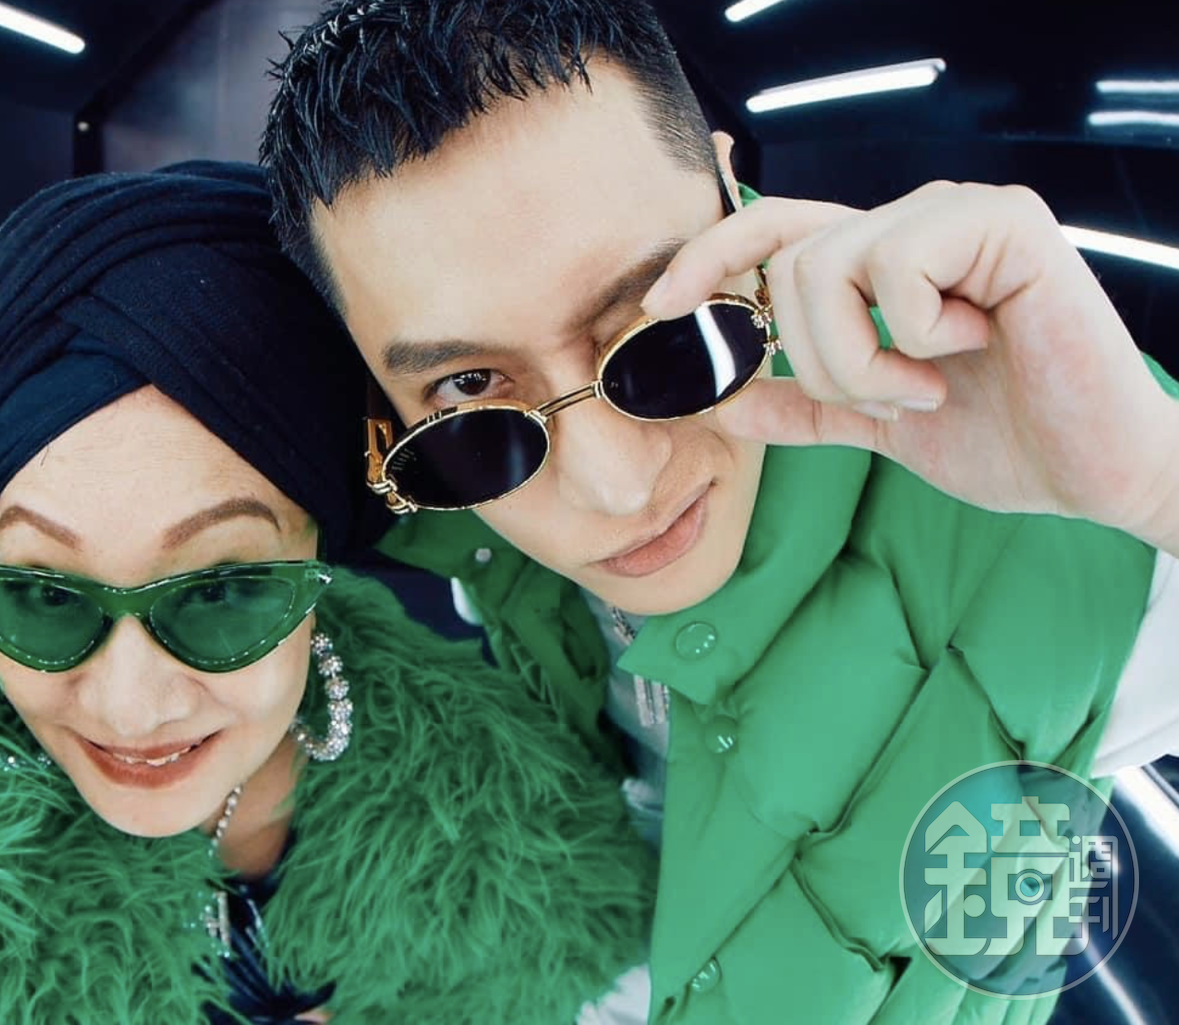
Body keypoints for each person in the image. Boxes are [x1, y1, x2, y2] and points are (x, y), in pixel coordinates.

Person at [259, 2, 1179, 1022]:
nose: (616, 487)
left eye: (655, 322)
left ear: (733, 194)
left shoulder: (1043, 515)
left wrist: (1153, 480)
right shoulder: (474, 535)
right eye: (473, 391)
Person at [0, 163, 656, 1025]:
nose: (131, 704)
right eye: (45, 594)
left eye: (225, 590)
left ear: (322, 546)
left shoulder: (507, 821)